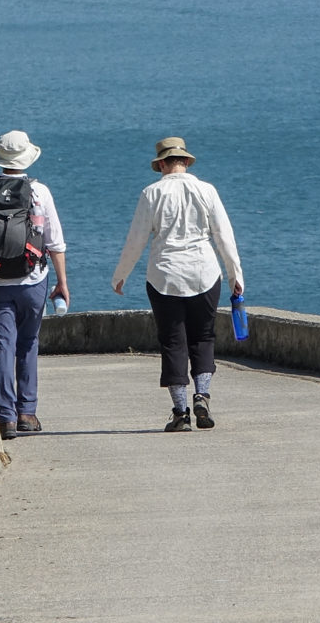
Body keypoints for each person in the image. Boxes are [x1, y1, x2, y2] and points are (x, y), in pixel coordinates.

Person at [111, 136, 245, 432]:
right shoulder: (207, 190)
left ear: (160, 164)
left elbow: (137, 239)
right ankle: (202, 395)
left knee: (173, 341)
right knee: (204, 337)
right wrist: (236, 277)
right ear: (185, 161)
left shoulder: (151, 193)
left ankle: (180, 412)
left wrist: (120, 274)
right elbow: (224, 235)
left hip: (164, 276)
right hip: (205, 273)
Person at [0, 130, 69, 440]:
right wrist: (61, 283)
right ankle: (27, 414)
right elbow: (55, 242)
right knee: (28, 343)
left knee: (2, 346)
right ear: (27, 159)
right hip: (33, 280)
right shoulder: (39, 192)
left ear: (0, 158)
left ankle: (5, 417)